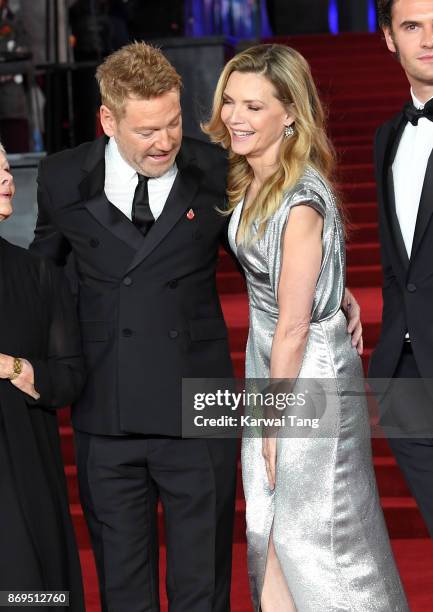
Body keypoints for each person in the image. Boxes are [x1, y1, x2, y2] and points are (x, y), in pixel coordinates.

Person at [31, 41, 363, 611]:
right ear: (108, 120)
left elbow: (267, 247)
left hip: (199, 405)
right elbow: (39, 276)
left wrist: (332, 289)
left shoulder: (215, 169)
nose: (164, 142)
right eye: (145, 131)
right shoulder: (63, 176)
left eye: (173, 123)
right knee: (123, 588)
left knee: (200, 588)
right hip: (105, 411)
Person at [203, 44, 408, 611]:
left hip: (303, 375)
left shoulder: (300, 196)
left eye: (253, 106)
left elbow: (294, 326)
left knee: (319, 539)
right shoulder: (249, 178)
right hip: (271, 368)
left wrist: (273, 424)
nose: (235, 117)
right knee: (268, 529)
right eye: (229, 101)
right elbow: (287, 281)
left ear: (290, 113)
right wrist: (334, 285)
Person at [0, 143, 85, 609]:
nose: (8, 179)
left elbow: (69, 376)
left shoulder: (37, 275)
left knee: (29, 594)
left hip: (24, 464)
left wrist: (14, 367)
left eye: (8, 169)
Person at [369, 0, 433, 538]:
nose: (429, 39)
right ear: (390, 37)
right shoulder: (387, 137)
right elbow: (399, 261)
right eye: (413, 26)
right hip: (406, 369)